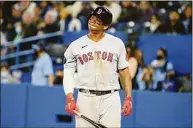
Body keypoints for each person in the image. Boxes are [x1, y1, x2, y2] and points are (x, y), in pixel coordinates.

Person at [63, 7, 132, 128]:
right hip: (85, 97)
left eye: (99, 19)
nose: (93, 20)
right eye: (92, 17)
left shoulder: (117, 43)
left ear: (106, 25)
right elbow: (68, 73)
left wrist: (128, 97)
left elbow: (124, 72)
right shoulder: (75, 45)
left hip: (110, 97)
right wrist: (69, 97)